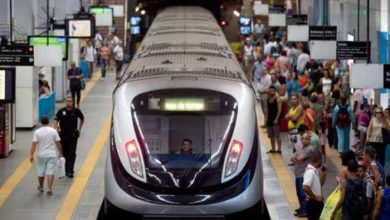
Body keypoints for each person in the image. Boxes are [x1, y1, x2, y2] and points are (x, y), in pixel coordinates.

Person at [30, 116, 62, 195]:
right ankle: (49, 189)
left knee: (41, 171)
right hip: (52, 154)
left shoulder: (37, 132)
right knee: (50, 171)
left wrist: (31, 155)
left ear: (41, 122)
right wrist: (60, 152)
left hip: (42, 155)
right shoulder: (53, 131)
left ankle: (41, 187)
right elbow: (58, 143)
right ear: (48, 122)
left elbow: (34, 144)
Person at [54, 96, 84, 178]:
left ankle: (70, 171)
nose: (68, 102)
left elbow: (82, 118)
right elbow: (56, 120)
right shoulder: (61, 111)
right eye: (67, 101)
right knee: (64, 153)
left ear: (73, 102)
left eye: (70, 101)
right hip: (63, 136)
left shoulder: (76, 111)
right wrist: (56, 130)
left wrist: (79, 129)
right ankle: (65, 170)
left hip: (73, 136)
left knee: (72, 153)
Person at [291, 132, 314, 217]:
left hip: (303, 174)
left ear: (309, 140)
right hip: (298, 173)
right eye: (302, 139)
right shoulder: (300, 147)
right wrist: (297, 160)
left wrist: (297, 159)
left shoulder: (309, 149)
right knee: (298, 192)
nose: (304, 140)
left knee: (302, 193)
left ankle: (305, 210)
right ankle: (302, 207)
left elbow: (298, 158)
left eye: (306, 139)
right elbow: (293, 158)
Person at [303, 150, 325, 220]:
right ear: (319, 160)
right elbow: (305, 187)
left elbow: (319, 184)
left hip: (316, 202)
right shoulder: (310, 172)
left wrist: (324, 175)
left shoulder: (314, 170)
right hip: (313, 203)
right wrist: (316, 197)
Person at [265, 85, 283, 153]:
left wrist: (276, 118)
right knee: (271, 135)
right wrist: (266, 117)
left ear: (275, 91)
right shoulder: (268, 99)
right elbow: (267, 109)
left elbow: (279, 109)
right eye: (270, 91)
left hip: (275, 119)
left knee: (277, 135)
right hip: (269, 119)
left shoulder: (278, 99)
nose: (271, 92)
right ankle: (273, 148)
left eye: (273, 91)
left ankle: (279, 149)